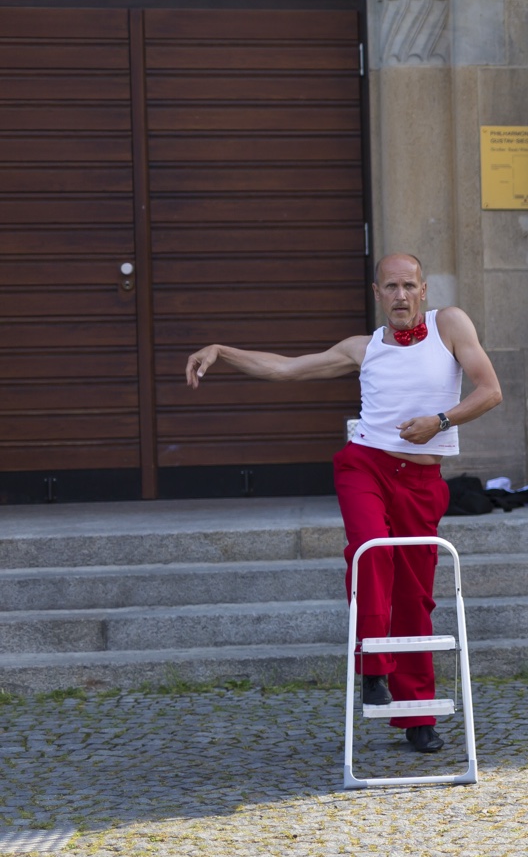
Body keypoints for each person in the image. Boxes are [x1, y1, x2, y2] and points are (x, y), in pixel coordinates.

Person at [185, 254, 503, 751]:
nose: (401, 295)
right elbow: (287, 369)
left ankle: (418, 717)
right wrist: (222, 350)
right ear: (377, 294)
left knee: (415, 598)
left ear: (424, 289)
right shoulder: (363, 347)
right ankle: (372, 668)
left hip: (422, 482)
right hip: (366, 467)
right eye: (390, 287)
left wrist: (440, 421)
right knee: (370, 548)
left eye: (409, 286)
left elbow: (490, 391)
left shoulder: (451, 324)